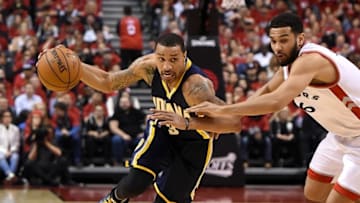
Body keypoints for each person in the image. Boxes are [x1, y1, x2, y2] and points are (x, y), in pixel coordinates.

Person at [38, 33, 241, 202]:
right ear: (155, 55)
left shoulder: (196, 87)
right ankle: (112, 199)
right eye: (161, 58)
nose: (167, 66)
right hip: (163, 130)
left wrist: (187, 122)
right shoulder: (148, 68)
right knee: (134, 183)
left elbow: (234, 122)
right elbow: (108, 81)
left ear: (185, 56)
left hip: (193, 143)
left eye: (173, 59)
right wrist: (74, 66)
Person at [187, 12, 360, 203]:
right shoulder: (288, 66)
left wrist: (221, 110)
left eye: (284, 40)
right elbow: (268, 88)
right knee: (313, 193)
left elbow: (276, 101)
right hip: (338, 134)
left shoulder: (311, 61)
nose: (278, 47)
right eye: (273, 41)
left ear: (300, 38)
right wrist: (230, 118)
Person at [109, 92, 145, 166]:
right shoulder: (116, 114)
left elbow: (148, 120)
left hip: (136, 136)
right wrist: (124, 135)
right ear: (119, 103)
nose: (124, 104)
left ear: (130, 103)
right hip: (122, 137)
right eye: (122, 102)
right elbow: (113, 127)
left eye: (126, 102)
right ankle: (118, 162)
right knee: (116, 140)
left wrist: (144, 133)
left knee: (145, 139)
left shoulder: (136, 112)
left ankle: (141, 162)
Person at [0, 110, 20, 184]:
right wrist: (5, 152)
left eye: (9, 116)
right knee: (0, 156)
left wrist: (11, 151)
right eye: (5, 116)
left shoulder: (15, 129)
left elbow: (17, 143)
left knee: (15, 157)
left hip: (12, 150)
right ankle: (11, 175)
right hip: (1, 150)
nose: (7, 118)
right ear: (2, 118)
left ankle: (9, 177)